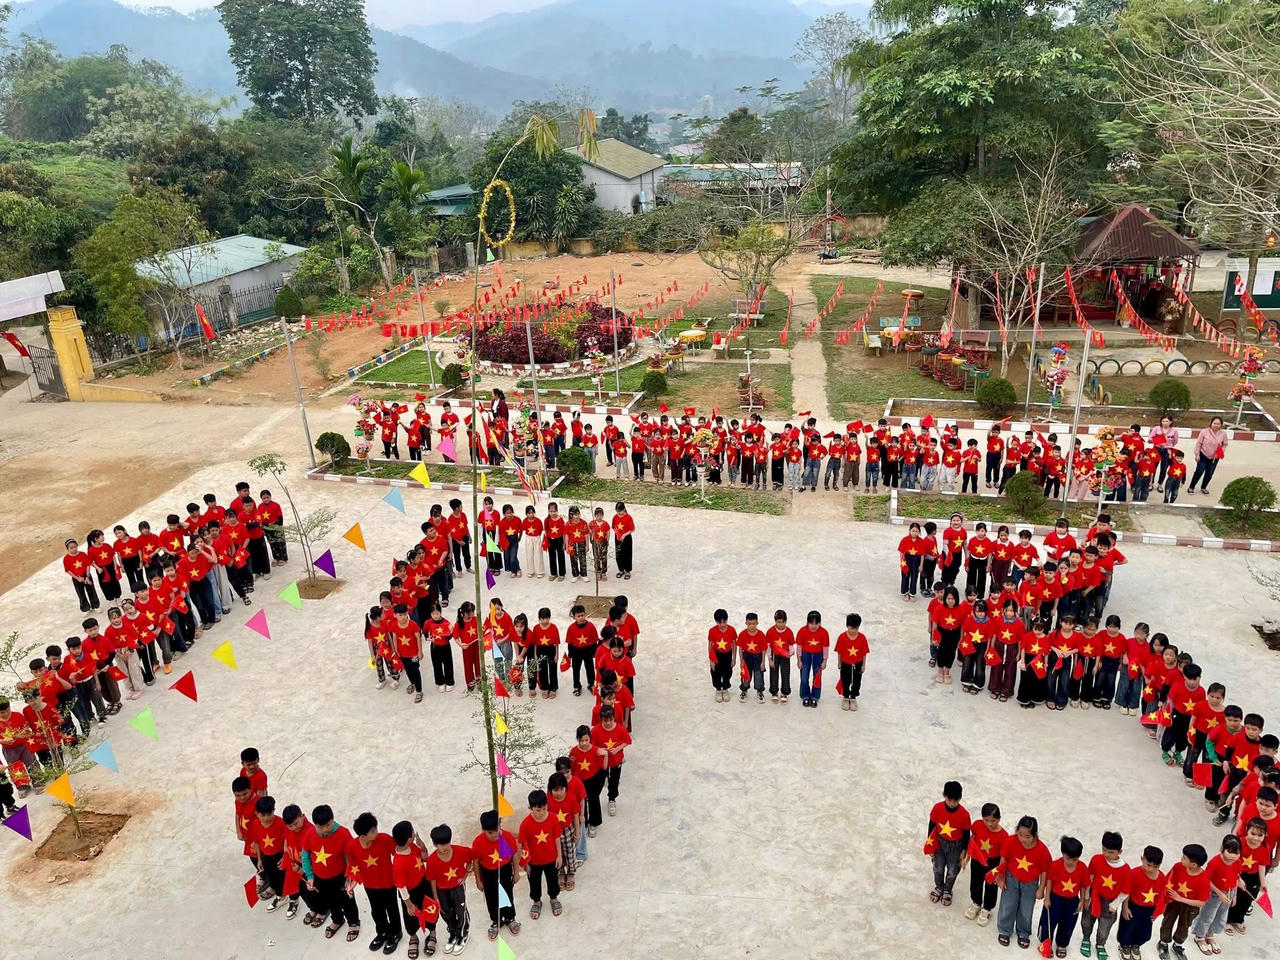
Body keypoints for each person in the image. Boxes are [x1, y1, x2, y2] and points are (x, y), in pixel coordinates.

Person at [345, 812, 401, 954]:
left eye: (375, 828)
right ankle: (382, 932)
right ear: (363, 836)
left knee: (392, 909)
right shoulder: (353, 846)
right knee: (376, 910)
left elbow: (399, 853)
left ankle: (395, 932)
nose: (377, 832)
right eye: (373, 831)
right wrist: (353, 882)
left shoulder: (385, 839)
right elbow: (353, 864)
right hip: (370, 886)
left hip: (388, 883)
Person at [303, 804, 360, 942]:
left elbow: (351, 857)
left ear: (333, 820)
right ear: (314, 825)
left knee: (347, 900)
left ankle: (353, 923)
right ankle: (337, 920)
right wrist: (310, 876)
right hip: (320, 877)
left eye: (327, 825)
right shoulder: (310, 834)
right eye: (320, 827)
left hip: (341, 876)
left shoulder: (343, 834)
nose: (324, 830)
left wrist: (350, 877)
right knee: (330, 900)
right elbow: (305, 855)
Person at [996, 815, 1052, 949]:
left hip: (1031, 884)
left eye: (1027, 836)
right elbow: (1003, 859)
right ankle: (1005, 929)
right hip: (1011, 878)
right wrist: (1001, 877)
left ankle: (1023, 932)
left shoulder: (1042, 850)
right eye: (1020, 835)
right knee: (1008, 904)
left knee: (1026, 908)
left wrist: (1041, 888)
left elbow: (1045, 871)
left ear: (1035, 835)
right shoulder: (1011, 841)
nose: (1023, 839)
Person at [391, 820, 440, 959]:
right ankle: (413, 936)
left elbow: (425, 858)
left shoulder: (412, 846)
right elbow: (401, 886)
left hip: (423, 885)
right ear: (409, 838)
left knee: (430, 909)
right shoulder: (399, 862)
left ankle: (432, 933)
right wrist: (409, 904)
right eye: (412, 832)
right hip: (410, 894)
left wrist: (422, 846)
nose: (414, 833)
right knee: (411, 917)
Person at [471, 810, 519, 941]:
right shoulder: (478, 842)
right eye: (490, 832)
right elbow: (475, 861)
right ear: (483, 830)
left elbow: (514, 854)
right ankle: (496, 920)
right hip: (488, 873)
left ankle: (510, 918)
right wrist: (478, 880)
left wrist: (516, 873)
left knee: (507, 894)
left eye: (497, 830)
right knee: (491, 897)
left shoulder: (506, 837)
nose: (495, 835)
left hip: (504, 870)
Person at [1190, 835, 1242, 955]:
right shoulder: (1215, 862)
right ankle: (1199, 936)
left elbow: (1236, 877)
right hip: (1214, 893)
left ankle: (1210, 935)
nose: (1233, 856)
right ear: (1222, 848)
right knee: (1207, 915)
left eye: (1237, 853)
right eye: (1230, 851)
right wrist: (1219, 893)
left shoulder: (1238, 862)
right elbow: (1206, 879)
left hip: (1229, 892)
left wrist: (1234, 895)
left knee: (1221, 915)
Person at [1038, 835, 1088, 959]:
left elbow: (1083, 885)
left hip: (1072, 901)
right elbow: (1049, 881)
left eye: (1074, 859)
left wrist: (1082, 900)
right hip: (1055, 898)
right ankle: (1045, 942)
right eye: (1067, 858)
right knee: (1048, 921)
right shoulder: (1055, 865)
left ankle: (1062, 944)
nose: (1071, 862)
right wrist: (1047, 898)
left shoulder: (1082, 868)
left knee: (1068, 924)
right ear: (1062, 853)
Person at [1081, 831, 1129, 960]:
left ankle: (1100, 944)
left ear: (1120, 852)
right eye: (1104, 850)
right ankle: (1086, 939)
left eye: (1111, 852)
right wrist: (1086, 897)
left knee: (1104, 927)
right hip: (1094, 897)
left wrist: (1115, 904)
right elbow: (1089, 878)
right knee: (1086, 921)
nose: (1106, 854)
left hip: (1110, 903)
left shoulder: (1125, 869)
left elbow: (1125, 890)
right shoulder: (1096, 859)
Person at [426, 824, 472, 954]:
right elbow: (432, 879)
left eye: (446, 843)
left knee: (460, 910)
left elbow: (471, 858)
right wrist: (435, 897)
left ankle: (463, 933)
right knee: (446, 912)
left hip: (457, 887)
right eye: (440, 844)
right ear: (435, 844)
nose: (444, 847)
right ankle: (453, 933)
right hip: (442, 891)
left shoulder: (460, 851)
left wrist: (465, 874)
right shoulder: (432, 860)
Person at [517, 790, 563, 920]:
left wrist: (559, 856)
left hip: (551, 859)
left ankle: (554, 898)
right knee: (534, 883)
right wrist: (525, 863)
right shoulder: (525, 824)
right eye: (537, 810)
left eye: (544, 808)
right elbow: (522, 845)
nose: (541, 812)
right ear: (530, 808)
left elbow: (557, 838)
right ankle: (536, 901)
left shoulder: (553, 818)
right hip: (534, 862)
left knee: (553, 881)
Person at [1157, 843, 1210, 958]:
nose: (1181, 859)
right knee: (1167, 922)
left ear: (1194, 864)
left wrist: (1180, 898)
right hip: (1173, 902)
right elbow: (1168, 880)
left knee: (1184, 926)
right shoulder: (1178, 867)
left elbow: (1202, 902)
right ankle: (1163, 943)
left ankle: (1178, 945)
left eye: (1185, 858)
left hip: (1189, 906)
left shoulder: (1204, 880)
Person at [1117, 845, 1166, 960]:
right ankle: (1124, 946)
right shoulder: (1134, 873)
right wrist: (1125, 907)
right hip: (1133, 906)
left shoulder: (1162, 878)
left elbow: (1161, 896)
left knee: (1144, 931)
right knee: (1127, 928)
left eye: (1156, 866)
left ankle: (1136, 945)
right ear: (1142, 859)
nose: (1151, 869)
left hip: (1149, 909)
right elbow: (1126, 891)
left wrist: (1157, 912)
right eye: (1148, 865)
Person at [927, 781, 971, 906]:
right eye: (949, 799)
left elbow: (967, 834)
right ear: (944, 795)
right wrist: (930, 843)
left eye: (955, 800)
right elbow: (931, 825)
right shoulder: (937, 808)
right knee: (938, 868)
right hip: (940, 843)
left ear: (960, 798)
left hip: (956, 846)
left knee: (952, 870)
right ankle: (939, 887)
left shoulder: (964, 815)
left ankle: (947, 889)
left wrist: (964, 850)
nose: (952, 803)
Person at [964, 803, 1007, 927]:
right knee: (975, 881)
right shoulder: (977, 825)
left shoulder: (1004, 836)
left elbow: (1004, 855)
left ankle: (987, 908)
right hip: (977, 859)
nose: (989, 823)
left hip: (993, 862)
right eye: (986, 820)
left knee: (991, 886)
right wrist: (967, 857)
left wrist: (999, 872)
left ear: (999, 819)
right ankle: (976, 902)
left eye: (993, 821)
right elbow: (972, 840)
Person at [592, 705, 631, 816]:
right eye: (605, 720)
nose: (608, 723)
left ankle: (612, 799)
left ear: (614, 718)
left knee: (614, 781)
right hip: (601, 762)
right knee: (599, 781)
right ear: (601, 719)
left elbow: (627, 741)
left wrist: (618, 749)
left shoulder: (620, 729)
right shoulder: (595, 730)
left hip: (616, 760)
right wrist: (600, 749)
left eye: (610, 719)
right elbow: (592, 745)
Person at [570, 724, 606, 837]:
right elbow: (571, 767)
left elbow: (604, 767)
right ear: (578, 740)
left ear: (590, 738)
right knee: (581, 802)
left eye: (587, 740)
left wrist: (606, 755)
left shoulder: (596, 750)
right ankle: (583, 823)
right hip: (580, 781)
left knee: (593, 800)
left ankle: (593, 823)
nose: (584, 743)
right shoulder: (574, 751)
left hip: (593, 779)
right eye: (582, 740)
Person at [835, 613, 869, 711]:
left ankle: (853, 698)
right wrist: (839, 662)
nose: (853, 631)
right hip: (845, 664)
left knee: (857, 682)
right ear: (847, 626)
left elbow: (864, 653)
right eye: (851, 628)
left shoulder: (862, 638)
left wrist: (863, 665)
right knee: (845, 681)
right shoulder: (842, 637)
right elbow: (839, 651)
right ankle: (846, 697)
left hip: (858, 664)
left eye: (856, 628)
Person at [796, 610, 829, 708]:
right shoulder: (802, 631)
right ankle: (805, 695)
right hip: (805, 655)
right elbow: (799, 646)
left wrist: (824, 661)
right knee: (804, 677)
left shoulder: (824, 632)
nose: (814, 626)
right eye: (811, 623)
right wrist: (799, 659)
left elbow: (825, 648)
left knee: (817, 677)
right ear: (807, 622)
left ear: (820, 623)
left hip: (818, 655)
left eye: (816, 623)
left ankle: (815, 696)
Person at [934, 587, 963, 687]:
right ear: (945, 598)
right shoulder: (939, 608)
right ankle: (940, 669)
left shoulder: (960, 609)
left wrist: (961, 638)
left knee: (951, 652)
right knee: (941, 651)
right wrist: (935, 637)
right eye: (948, 598)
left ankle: (947, 671)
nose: (951, 601)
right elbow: (935, 624)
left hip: (954, 634)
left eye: (953, 599)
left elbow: (962, 625)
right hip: (942, 632)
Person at [736, 612, 767, 703]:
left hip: (758, 657)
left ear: (757, 623)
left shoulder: (761, 635)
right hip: (747, 656)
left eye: (754, 624)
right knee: (746, 675)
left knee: (758, 675)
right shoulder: (742, 634)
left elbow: (763, 649)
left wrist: (763, 662)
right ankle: (744, 690)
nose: (751, 626)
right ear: (746, 623)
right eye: (749, 624)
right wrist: (741, 660)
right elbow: (740, 648)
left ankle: (760, 692)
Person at [63, 538, 100, 612]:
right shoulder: (66, 558)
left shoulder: (83, 554)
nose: (74, 549)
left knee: (91, 590)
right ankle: (85, 608)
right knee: (81, 593)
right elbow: (68, 570)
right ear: (67, 549)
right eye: (71, 548)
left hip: (86, 575)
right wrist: (77, 578)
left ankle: (95, 605)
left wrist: (87, 576)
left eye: (75, 547)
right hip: (77, 577)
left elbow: (88, 565)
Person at [766, 609, 794, 704]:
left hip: (785, 655)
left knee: (785, 673)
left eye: (783, 622)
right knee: (774, 673)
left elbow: (790, 645)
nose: (781, 624)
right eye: (778, 622)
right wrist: (770, 659)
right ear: (775, 621)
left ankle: (784, 692)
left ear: (786, 621)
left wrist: (791, 652)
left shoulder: (789, 632)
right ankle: (774, 692)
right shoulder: (770, 631)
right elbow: (768, 646)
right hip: (775, 655)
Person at [611, 503, 634, 580]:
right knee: (619, 554)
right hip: (618, 537)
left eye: (620, 511)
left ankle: (627, 571)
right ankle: (621, 570)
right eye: (617, 511)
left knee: (627, 554)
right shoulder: (615, 517)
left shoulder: (628, 517)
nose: (618, 513)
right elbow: (613, 527)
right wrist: (616, 532)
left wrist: (624, 535)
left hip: (626, 538)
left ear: (624, 509)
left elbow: (632, 529)